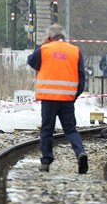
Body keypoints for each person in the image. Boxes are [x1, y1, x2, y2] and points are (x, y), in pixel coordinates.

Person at [27, 23, 89, 174]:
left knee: (47, 130)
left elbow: (31, 61)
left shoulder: (44, 49)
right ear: (64, 36)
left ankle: (46, 162)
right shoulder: (75, 51)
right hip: (67, 99)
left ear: (50, 36)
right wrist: (74, 95)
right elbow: (81, 76)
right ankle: (80, 152)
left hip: (48, 99)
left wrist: (43, 44)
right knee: (71, 129)